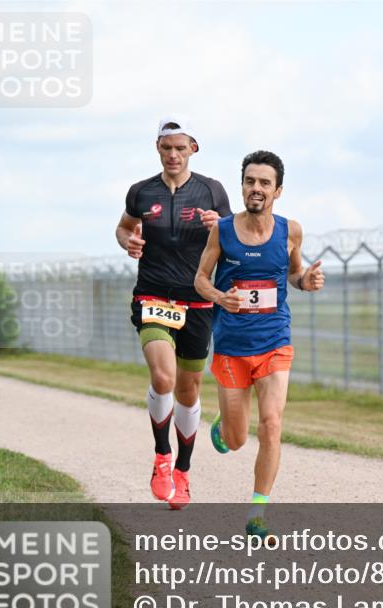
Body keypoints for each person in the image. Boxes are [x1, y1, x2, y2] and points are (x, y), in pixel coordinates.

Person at [194, 150, 324, 538]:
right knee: (236, 441)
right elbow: (201, 278)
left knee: (271, 424)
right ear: (243, 186)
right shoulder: (223, 230)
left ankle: (257, 513)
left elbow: (296, 274)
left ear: (277, 190)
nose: (256, 188)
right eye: (250, 181)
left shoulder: (291, 231)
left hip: (274, 341)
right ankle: (223, 428)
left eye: (264, 183)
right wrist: (220, 297)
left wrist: (307, 282)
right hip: (232, 345)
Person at [115, 116, 232, 509]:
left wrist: (221, 225)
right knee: (162, 377)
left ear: (193, 150)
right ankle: (161, 456)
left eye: (181, 148)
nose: (173, 155)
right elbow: (124, 227)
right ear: (158, 149)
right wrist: (128, 241)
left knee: (188, 390)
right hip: (154, 297)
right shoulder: (140, 191)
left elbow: (233, 236)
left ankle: (182, 471)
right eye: (167, 148)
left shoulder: (212, 191)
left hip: (198, 301)